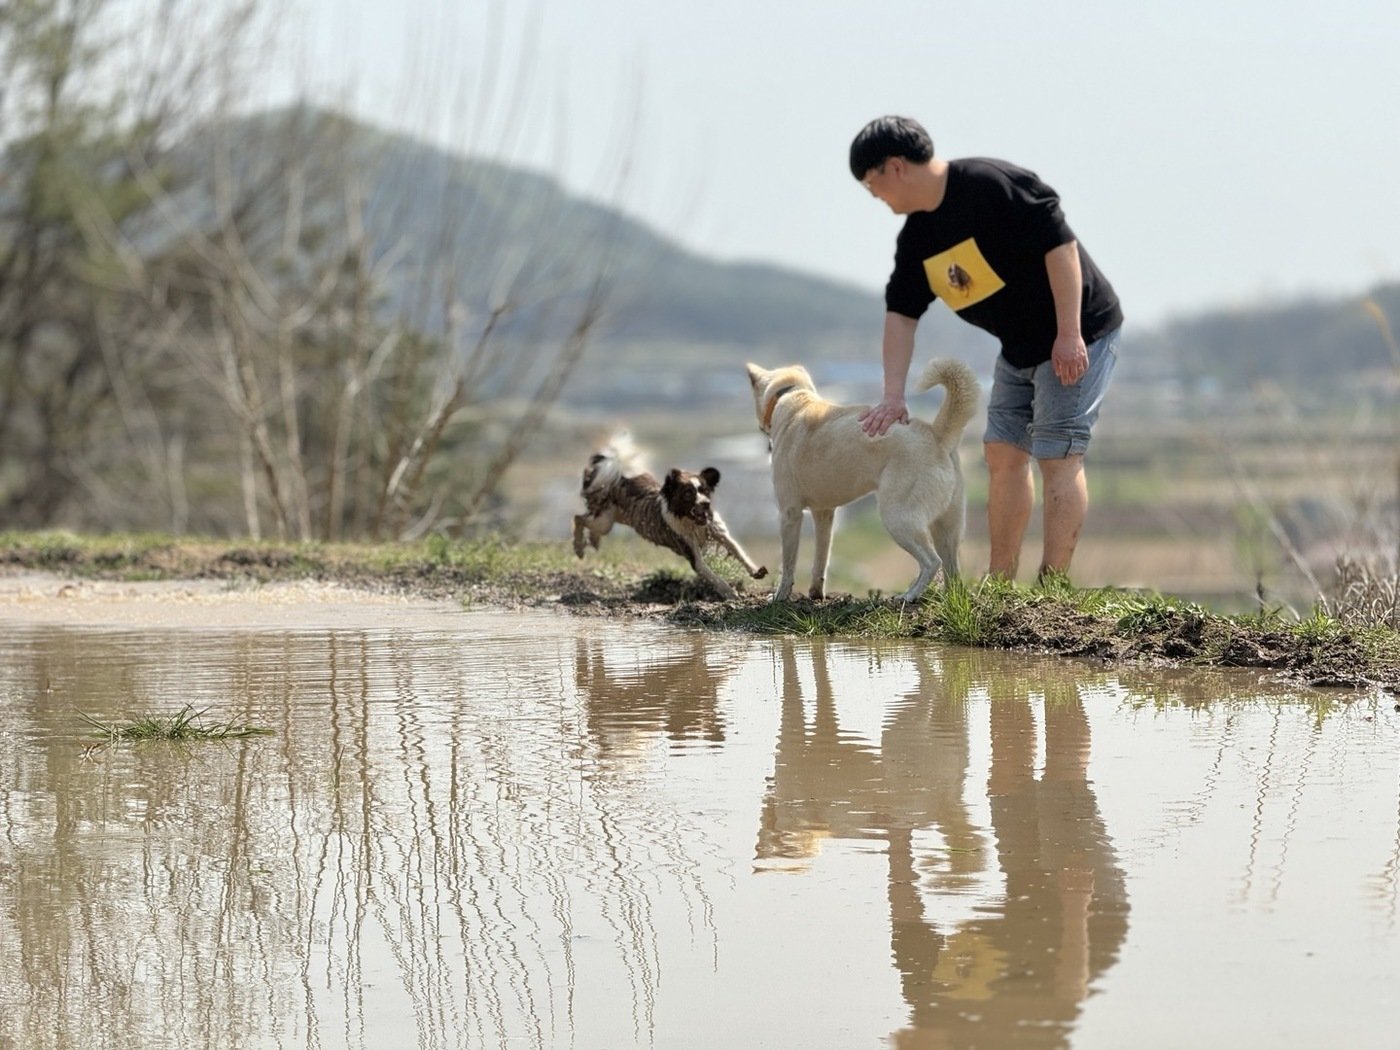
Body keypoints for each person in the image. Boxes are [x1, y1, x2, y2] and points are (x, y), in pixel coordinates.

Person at [850, 115, 1122, 583]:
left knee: (1057, 453)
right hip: (1018, 347)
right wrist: (893, 396)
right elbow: (901, 315)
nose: (873, 195)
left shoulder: (989, 185)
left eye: (871, 183)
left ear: (894, 168)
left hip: (1077, 331)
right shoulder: (918, 237)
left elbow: (1062, 248)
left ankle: (1051, 588)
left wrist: (1068, 333)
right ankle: (1001, 583)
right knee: (1001, 452)